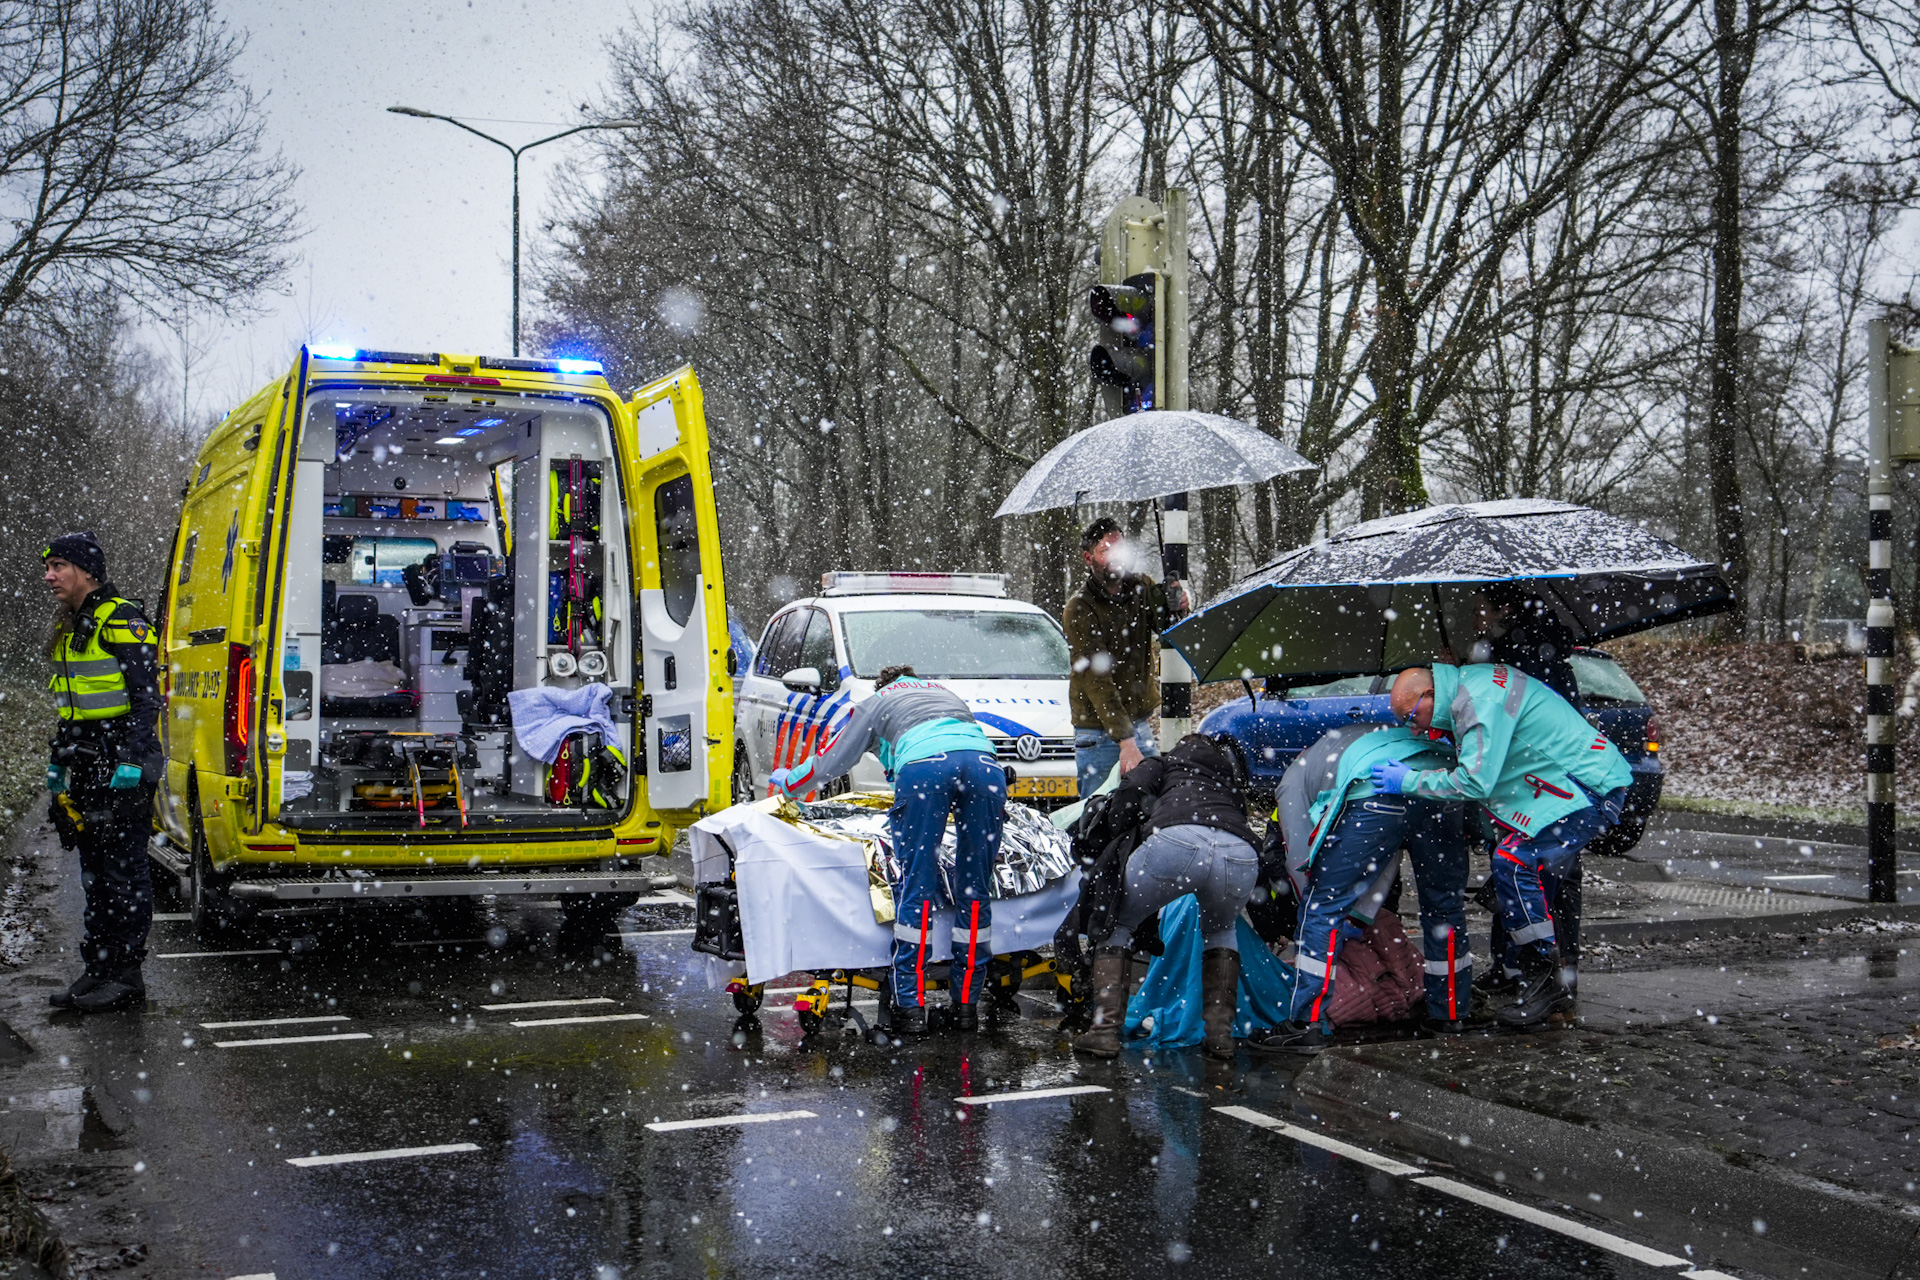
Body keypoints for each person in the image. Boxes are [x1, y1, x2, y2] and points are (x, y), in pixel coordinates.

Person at [1373, 663, 1631, 1029]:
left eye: (1411, 716)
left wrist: (1408, 781)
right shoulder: (1470, 689)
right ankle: (1539, 983)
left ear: (1430, 694)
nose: (1413, 728)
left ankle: (1546, 982)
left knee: (1513, 863)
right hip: (1571, 785)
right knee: (1526, 879)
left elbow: (1474, 781)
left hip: (1584, 789)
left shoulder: (1476, 702)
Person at [770, 665, 1006, 1035]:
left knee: (918, 885)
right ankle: (966, 1007)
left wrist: (789, 784)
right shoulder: (945, 695)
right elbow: (961, 747)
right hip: (985, 768)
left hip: (926, 768)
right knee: (975, 888)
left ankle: (910, 1008)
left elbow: (831, 762)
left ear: (883, 684)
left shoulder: (876, 701)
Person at [1246, 724, 1471, 1056]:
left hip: (1374, 788)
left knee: (1321, 906)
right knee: (1445, 908)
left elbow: (1299, 857)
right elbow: (1385, 856)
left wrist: (1330, 913)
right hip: (1438, 780)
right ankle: (1449, 1015)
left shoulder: (1292, 779)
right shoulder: (1368, 739)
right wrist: (1363, 912)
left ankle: (1306, 1025)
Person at [1073, 733, 1258, 1061]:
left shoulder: (1165, 763)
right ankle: (1220, 1038)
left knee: (1117, 923)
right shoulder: (1226, 781)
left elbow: (1131, 789)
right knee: (1221, 932)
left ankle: (1104, 1033)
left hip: (1176, 841)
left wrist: (1116, 827)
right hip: (1239, 853)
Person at [42, 532, 162, 1013]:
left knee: (123, 873)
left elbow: (146, 699)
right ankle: (99, 967)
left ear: (87, 571)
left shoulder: (122, 620)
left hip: (121, 764)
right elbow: (72, 707)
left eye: (59, 566)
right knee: (94, 874)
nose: (49, 576)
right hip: (87, 762)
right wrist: (59, 761)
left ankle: (127, 977)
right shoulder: (71, 624)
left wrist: (131, 760)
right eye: (48, 567)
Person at [1064, 517, 1187, 797]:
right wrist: (1125, 741)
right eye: (1105, 550)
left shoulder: (1142, 588)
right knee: (1097, 812)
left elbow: (1170, 633)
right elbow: (1096, 679)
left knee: (1152, 806)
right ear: (1088, 558)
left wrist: (1177, 606)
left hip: (1138, 724)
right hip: (1097, 732)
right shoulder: (1080, 608)